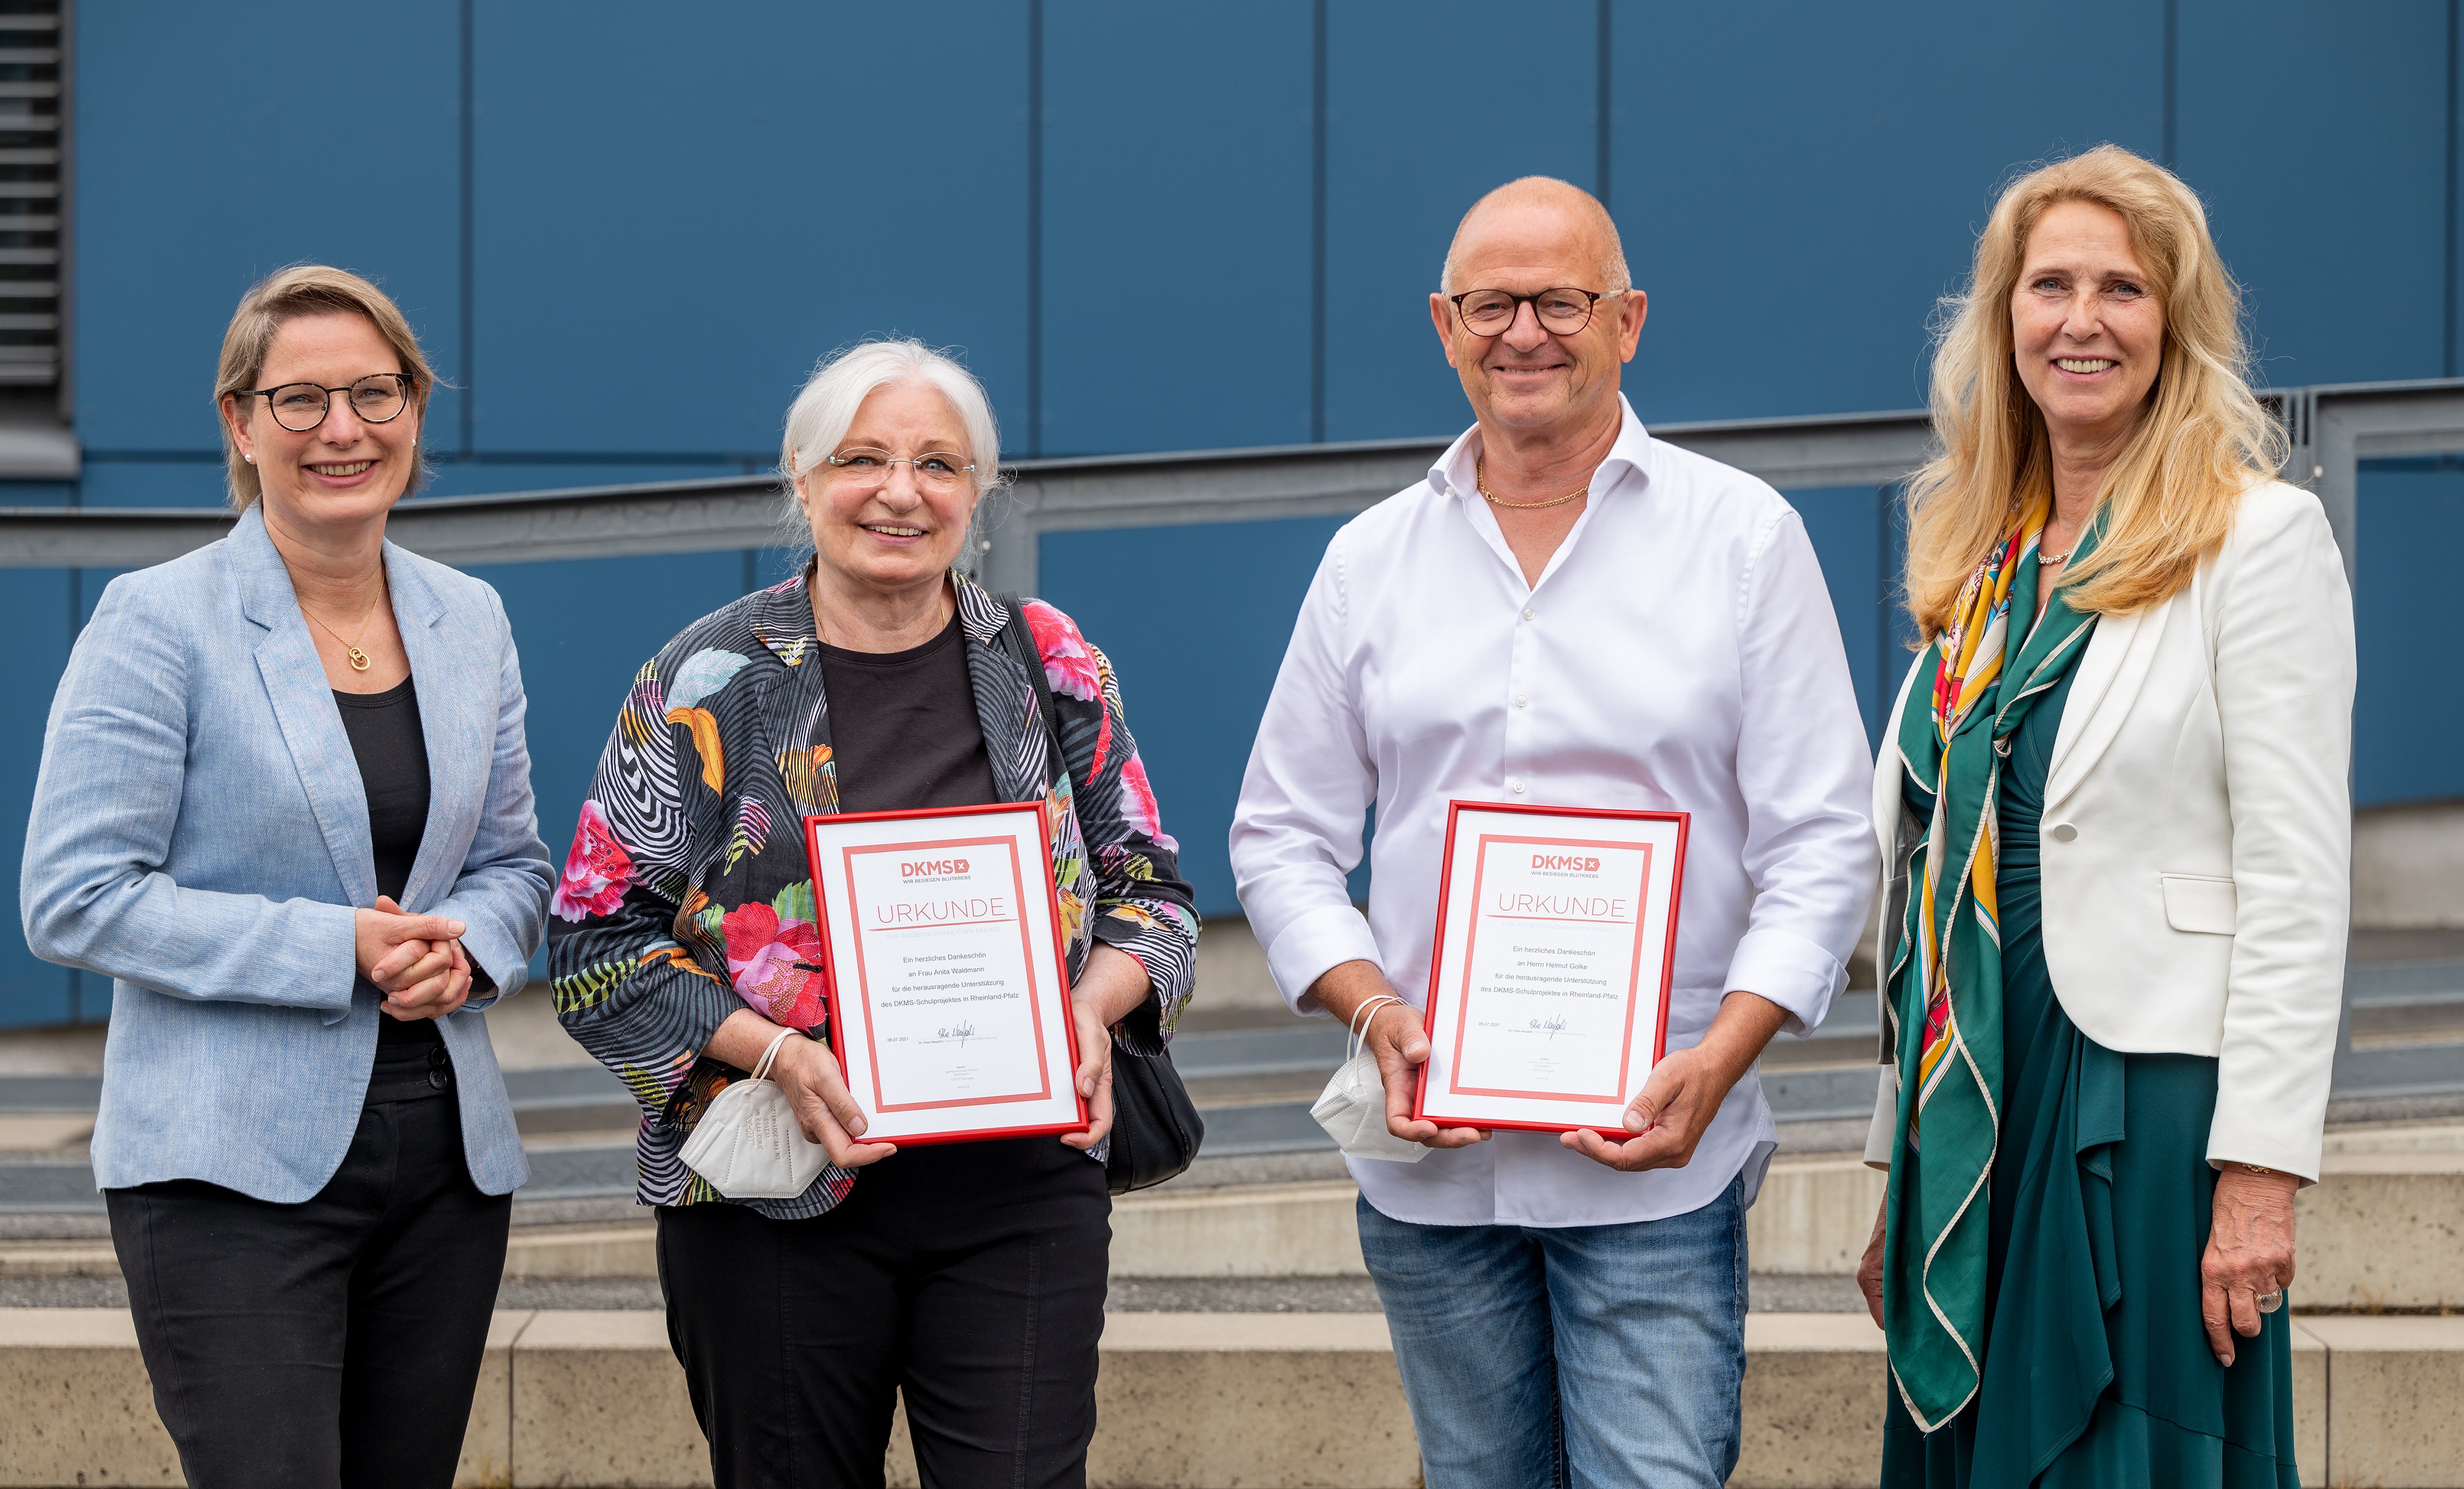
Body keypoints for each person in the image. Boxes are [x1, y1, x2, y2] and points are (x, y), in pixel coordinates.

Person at [1230, 176, 1877, 1488]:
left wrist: (1723, 1055)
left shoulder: (1744, 540)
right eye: (1491, 303)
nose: (1525, 330)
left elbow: (1826, 839)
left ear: (1628, 320)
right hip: (1433, 1171)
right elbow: (1280, 833)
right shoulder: (1371, 559)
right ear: (1443, 325)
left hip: (1655, 1162)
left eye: (1561, 300)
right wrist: (1374, 1011)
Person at [548, 338, 1198, 1489]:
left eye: (939, 464)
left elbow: (1150, 892)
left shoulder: (1050, 662)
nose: (902, 492)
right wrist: (776, 1051)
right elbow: (595, 943)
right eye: (864, 458)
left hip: (1021, 1183)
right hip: (775, 1188)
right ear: (802, 479)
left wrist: (1098, 1005)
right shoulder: (707, 677)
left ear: (976, 495)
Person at [1852, 144, 2350, 1487]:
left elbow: (2300, 879)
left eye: (2123, 288)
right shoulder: (1980, 560)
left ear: (2176, 325)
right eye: (2050, 284)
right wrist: (1904, 1158)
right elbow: (1925, 892)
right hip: (1979, 1103)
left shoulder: (2258, 539)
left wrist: (2259, 1174)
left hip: (2145, 1110)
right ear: (2003, 319)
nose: (2082, 319)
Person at [18, 264, 553, 1489]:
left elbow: (514, 861)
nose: (342, 430)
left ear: (416, 409)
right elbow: (74, 891)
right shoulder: (158, 620)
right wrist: (339, 949)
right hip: (226, 1163)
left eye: (375, 392)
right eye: (300, 399)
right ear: (240, 422)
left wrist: (465, 949)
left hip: (445, 1160)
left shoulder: (469, 618)